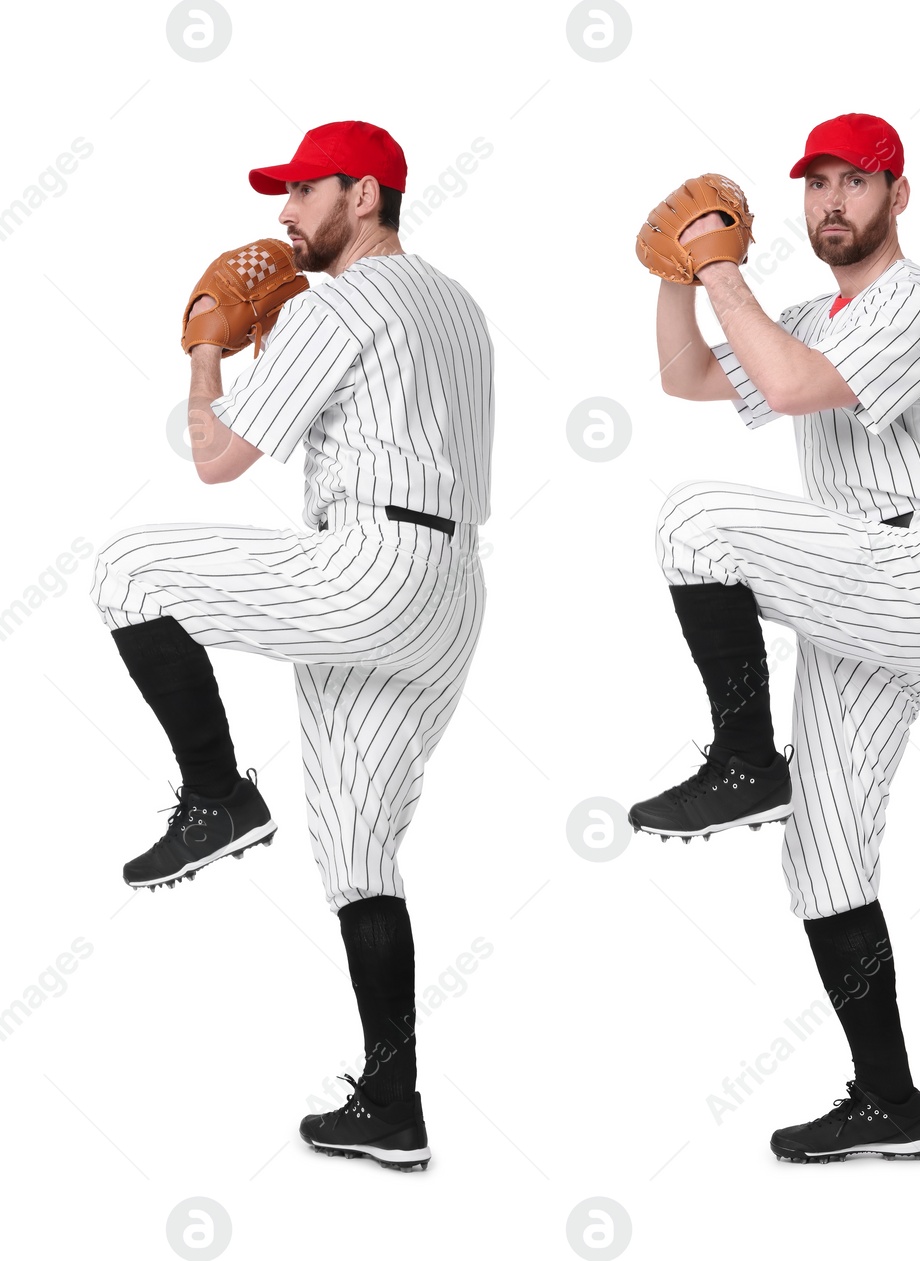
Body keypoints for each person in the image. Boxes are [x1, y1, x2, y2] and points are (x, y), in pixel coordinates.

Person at [89, 120, 493, 1172]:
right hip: (450, 592)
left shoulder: (345, 300)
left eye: (302, 190)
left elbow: (218, 457)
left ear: (365, 194)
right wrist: (281, 343)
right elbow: (365, 414)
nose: (282, 212)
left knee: (128, 571)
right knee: (361, 851)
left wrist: (209, 343)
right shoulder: (456, 306)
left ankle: (217, 792)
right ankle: (391, 1103)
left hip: (367, 564)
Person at [631, 114, 920, 1162]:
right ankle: (888, 1099)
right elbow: (689, 377)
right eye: (817, 184)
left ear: (897, 197)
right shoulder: (801, 311)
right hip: (850, 585)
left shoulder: (915, 302)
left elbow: (789, 386)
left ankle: (744, 757)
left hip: (918, 563)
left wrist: (720, 270)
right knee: (825, 858)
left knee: (697, 521)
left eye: (856, 182)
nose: (832, 200)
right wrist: (676, 270)